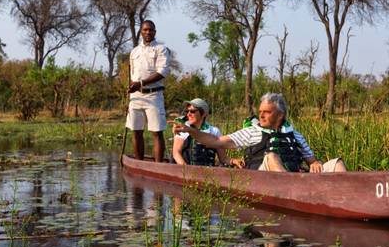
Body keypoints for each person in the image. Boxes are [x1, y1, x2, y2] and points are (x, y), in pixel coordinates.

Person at [173, 93, 346, 173]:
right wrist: (190, 130)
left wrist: (315, 163)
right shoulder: (253, 132)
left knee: (337, 163)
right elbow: (216, 141)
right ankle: (291, 189)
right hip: (264, 179)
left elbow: (312, 160)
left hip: (296, 179)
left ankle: (343, 198)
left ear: (280, 115)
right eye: (260, 111)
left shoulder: (295, 134)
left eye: (267, 112)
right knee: (271, 156)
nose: (261, 115)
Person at [126, 20, 170, 162]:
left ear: (155, 32)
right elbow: (132, 74)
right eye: (145, 30)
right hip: (136, 97)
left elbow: (162, 72)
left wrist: (140, 83)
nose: (148, 32)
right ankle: (139, 164)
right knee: (136, 130)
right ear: (140, 32)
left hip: (154, 95)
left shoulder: (161, 49)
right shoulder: (134, 51)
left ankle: (158, 167)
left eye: (150, 30)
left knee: (156, 132)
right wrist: (132, 87)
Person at [171, 98, 238, 167]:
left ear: (204, 114)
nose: (188, 114)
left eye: (192, 111)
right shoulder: (183, 128)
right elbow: (176, 153)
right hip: (186, 170)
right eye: (187, 111)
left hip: (208, 173)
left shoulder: (214, 131)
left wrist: (234, 161)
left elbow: (223, 158)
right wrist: (186, 170)